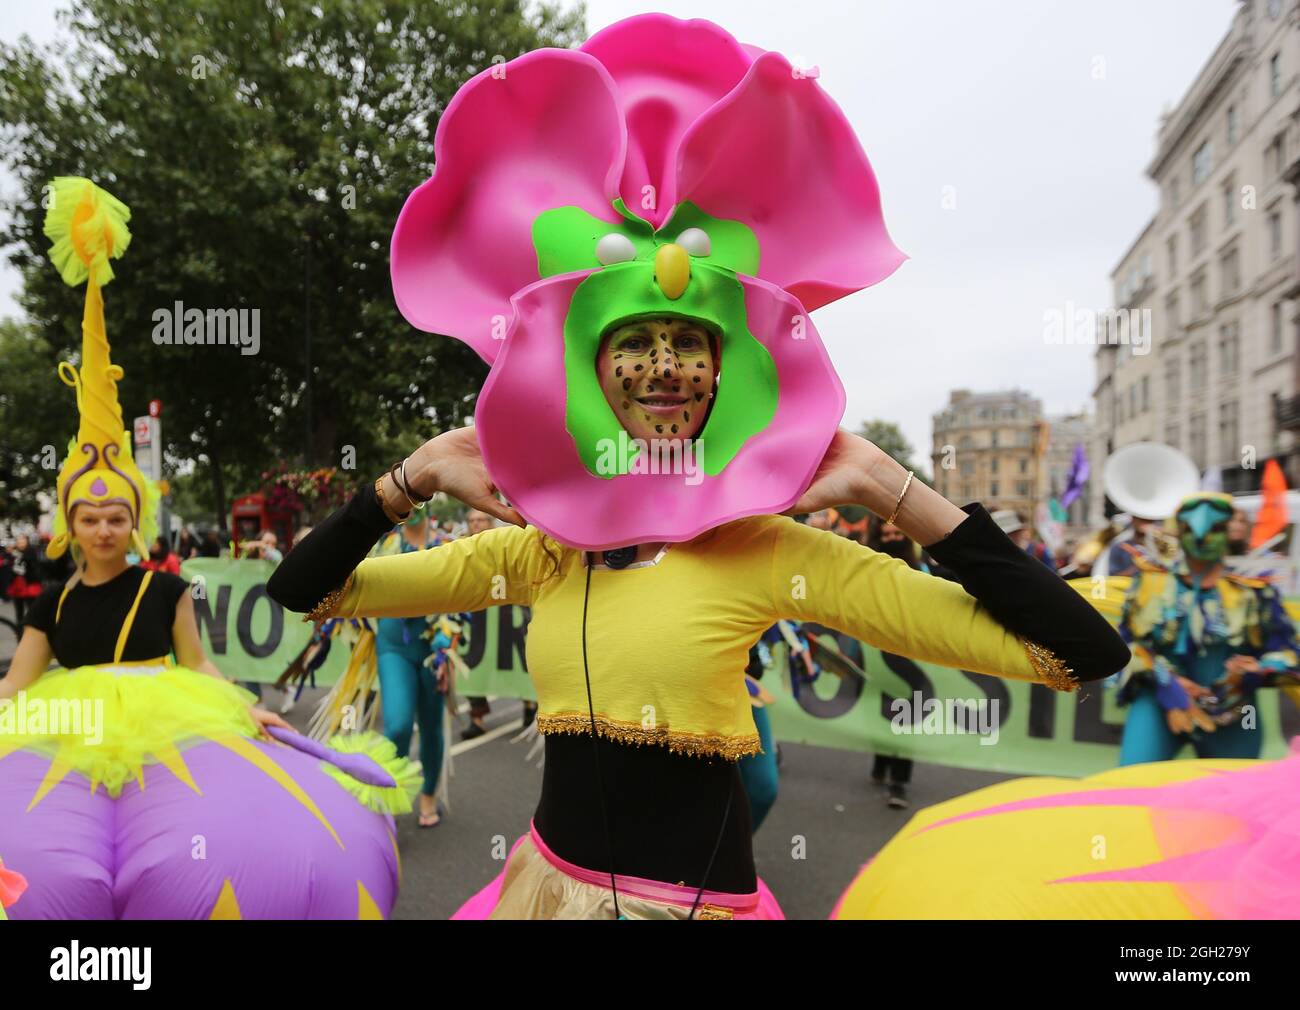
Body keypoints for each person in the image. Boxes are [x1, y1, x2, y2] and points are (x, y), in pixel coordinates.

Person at [269, 14, 1127, 920]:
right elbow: (310, 592)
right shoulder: (541, 553)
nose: (664, 366)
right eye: (634, 342)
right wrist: (418, 474)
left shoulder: (767, 551)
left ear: (725, 373)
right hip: (544, 895)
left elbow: (1078, 652)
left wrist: (888, 488)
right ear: (593, 374)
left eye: (689, 342)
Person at [0, 177, 415, 918]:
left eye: (116, 515)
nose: (103, 528)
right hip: (69, 733)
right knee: (65, 858)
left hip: (173, 722)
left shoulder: (165, 591)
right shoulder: (51, 602)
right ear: (68, 523)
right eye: (89, 517)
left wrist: (247, 710)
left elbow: (199, 664)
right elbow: (16, 688)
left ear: (137, 521)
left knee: (201, 843)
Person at [1112, 491, 1300, 764]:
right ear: (1180, 532)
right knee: (1129, 786)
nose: (1203, 538)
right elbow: (1126, 645)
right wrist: (1168, 681)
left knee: (1232, 800)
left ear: (1227, 533)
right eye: (1190, 529)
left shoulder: (1254, 590)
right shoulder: (1151, 583)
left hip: (1234, 712)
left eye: (1216, 529)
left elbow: (1289, 652)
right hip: (1162, 702)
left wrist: (1254, 671)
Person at [373, 504, 449, 827]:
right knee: (398, 725)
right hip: (394, 648)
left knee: (431, 725)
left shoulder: (446, 546)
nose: (410, 511)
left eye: (417, 505)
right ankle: (390, 799)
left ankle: (429, 795)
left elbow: (463, 595)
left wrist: (447, 647)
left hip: (434, 651)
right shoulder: (384, 547)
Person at [866, 516, 922, 808]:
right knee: (882, 713)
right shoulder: (868, 571)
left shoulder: (922, 572)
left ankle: (899, 781)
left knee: (906, 719)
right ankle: (881, 760)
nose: (891, 540)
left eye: (896, 534)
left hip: (911, 658)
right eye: (885, 536)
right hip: (878, 656)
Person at [5, 534, 44, 625]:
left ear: (27, 541)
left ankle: (32, 629)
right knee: (19, 610)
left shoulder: (31, 552)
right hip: (17, 585)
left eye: (22, 541)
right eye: (18, 541)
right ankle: (19, 631)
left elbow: (34, 567)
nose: (21, 543)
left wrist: (19, 556)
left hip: (29, 585)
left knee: (32, 609)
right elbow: (10, 568)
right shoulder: (13, 554)